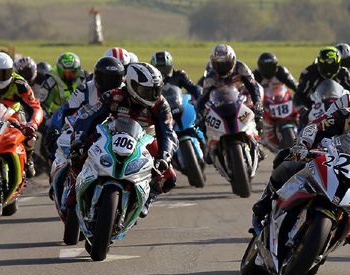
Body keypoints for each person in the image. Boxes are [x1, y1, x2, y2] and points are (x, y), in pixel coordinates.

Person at [251, 77, 350, 242]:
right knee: (286, 160)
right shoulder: (347, 115)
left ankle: (327, 243)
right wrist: (303, 145)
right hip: (330, 162)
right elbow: (316, 126)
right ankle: (264, 204)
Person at [71, 62, 177, 217]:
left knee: (169, 178)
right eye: (147, 90)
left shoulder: (160, 104)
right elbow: (89, 117)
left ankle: (147, 199)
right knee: (78, 153)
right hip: (112, 132)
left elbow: (167, 132)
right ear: (132, 86)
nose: (153, 95)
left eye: (156, 90)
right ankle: (75, 192)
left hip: (145, 138)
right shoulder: (114, 95)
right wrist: (79, 139)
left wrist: (164, 156)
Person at [46, 56, 126, 156]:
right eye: (105, 79)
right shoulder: (85, 89)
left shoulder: (125, 91)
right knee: (62, 151)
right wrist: (55, 128)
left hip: (116, 132)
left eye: (114, 80)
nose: (109, 84)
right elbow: (65, 110)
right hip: (87, 130)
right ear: (97, 76)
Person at [196, 44, 262, 124]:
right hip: (221, 104)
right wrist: (200, 113)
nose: (222, 68)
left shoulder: (241, 67)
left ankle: (257, 133)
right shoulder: (211, 77)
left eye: (225, 64)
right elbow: (203, 97)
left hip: (243, 101)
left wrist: (257, 102)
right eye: (218, 65)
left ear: (232, 61)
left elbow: (253, 86)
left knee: (257, 118)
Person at [294, 47, 350, 122]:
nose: (329, 70)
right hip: (314, 109)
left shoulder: (344, 73)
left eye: (332, 66)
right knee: (303, 124)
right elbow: (299, 94)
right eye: (326, 65)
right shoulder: (309, 73)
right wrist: (302, 109)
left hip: (339, 107)